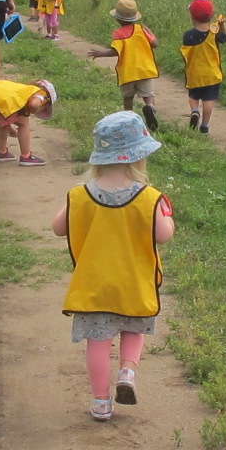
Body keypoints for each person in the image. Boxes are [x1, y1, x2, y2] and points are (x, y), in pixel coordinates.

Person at [52, 111, 175, 421]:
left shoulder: (79, 195)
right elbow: (164, 235)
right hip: (133, 283)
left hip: (94, 286)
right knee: (133, 330)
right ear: (138, 158)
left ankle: (100, 402)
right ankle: (127, 372)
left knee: (97, 342)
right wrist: (168, 217)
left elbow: (58, 228)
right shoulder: (150, 198)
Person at [87, 0, 161, 130]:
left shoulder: (119, 34)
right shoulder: (142, 29)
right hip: (145, 70)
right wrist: (151, 34)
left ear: (117, 19)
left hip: (128, 73)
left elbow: (115, 51)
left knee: (128, 97)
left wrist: (101, 53)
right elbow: (155, 44)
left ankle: (129, 118)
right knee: (148, 95)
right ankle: (150, 107)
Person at [0, 78, 55, 167]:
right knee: (24, 123)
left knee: (4, 124)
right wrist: (32, 110)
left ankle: (2, 153)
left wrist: (9, 128)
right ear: (47, 101)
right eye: (44, 108)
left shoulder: (21, 90)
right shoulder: (42, 94)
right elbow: (34, 104)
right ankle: (26, 156)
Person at [179, 0, 226, 134]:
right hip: (212, 75)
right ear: (211, 15)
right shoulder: (214, 33)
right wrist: (222, 25)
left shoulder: (188, 35)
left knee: (193, 97)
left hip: (194, 73)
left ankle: (195, 111)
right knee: (209, 100)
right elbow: (225, 38)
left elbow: (185, 54)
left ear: (192, 16)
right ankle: (205, 126)